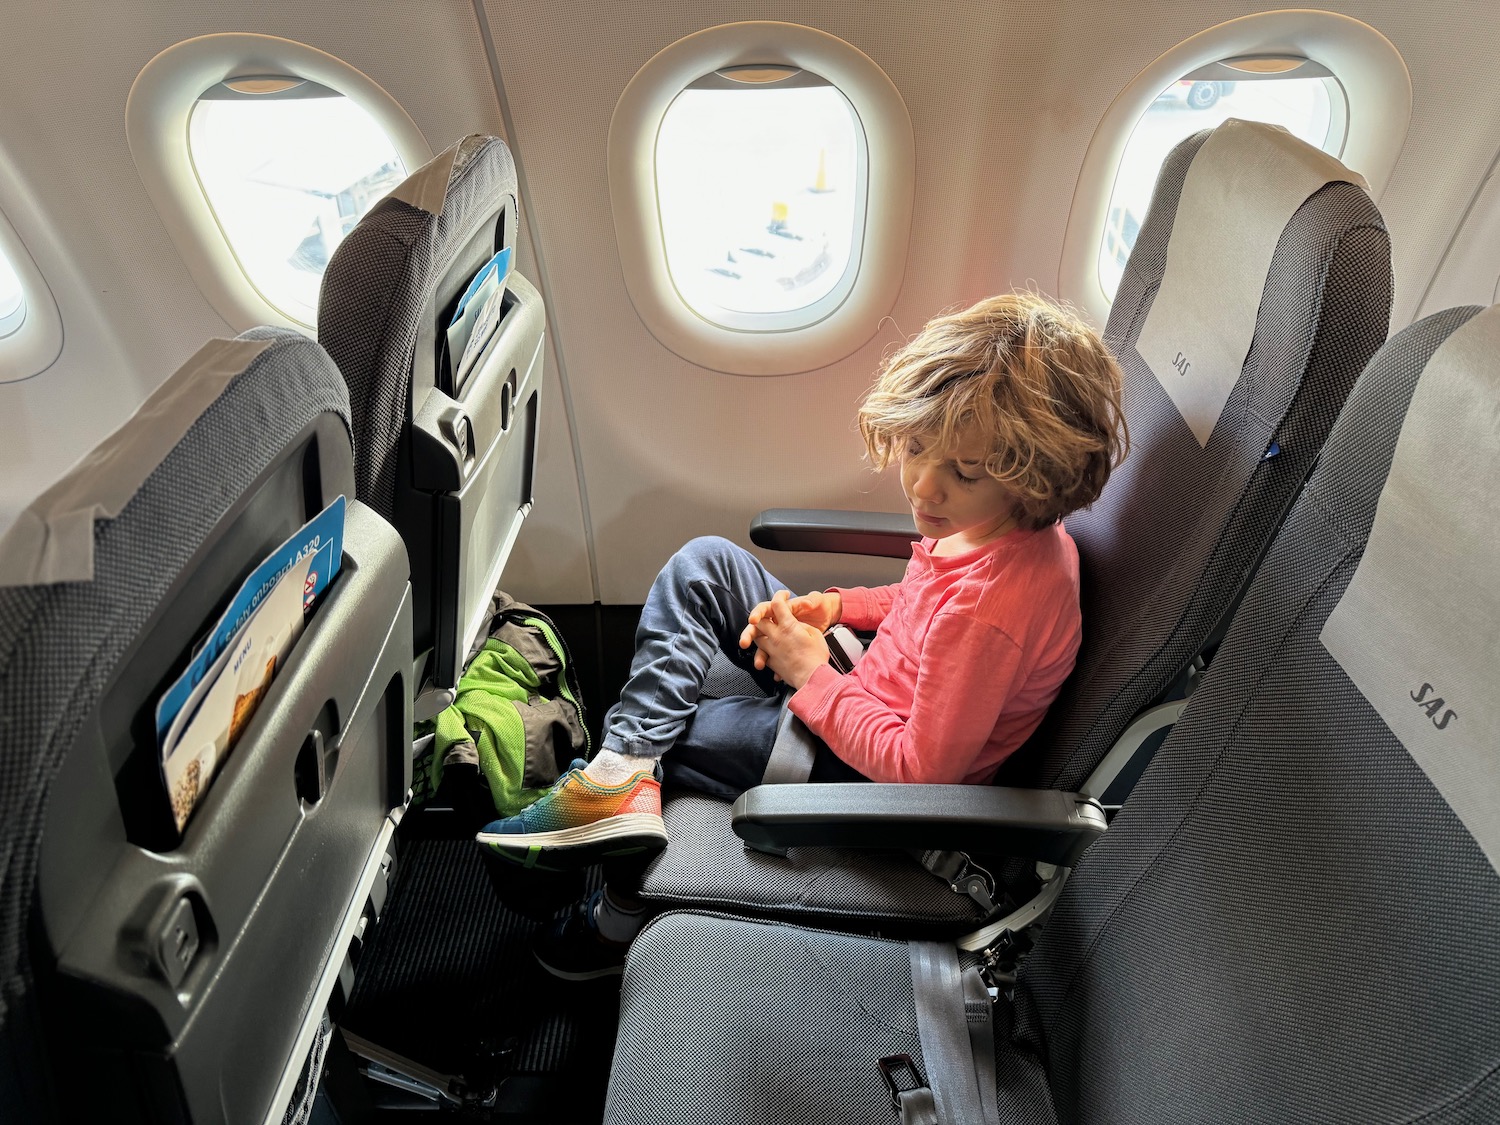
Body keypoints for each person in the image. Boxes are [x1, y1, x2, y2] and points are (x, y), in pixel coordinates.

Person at [477, 291, 1128, 977]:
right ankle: (621, 770)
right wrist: (837, 607)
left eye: (962, 473)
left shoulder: (993, 612)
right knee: (707, 564)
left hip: (867, 772)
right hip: (867, 681)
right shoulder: (988, 530)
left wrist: (809, 673)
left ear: (1033, 477)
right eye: (915, 448)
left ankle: (615, 924)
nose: (922, 486)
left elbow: (920, 772)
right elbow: (920, 602)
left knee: (687, 734)